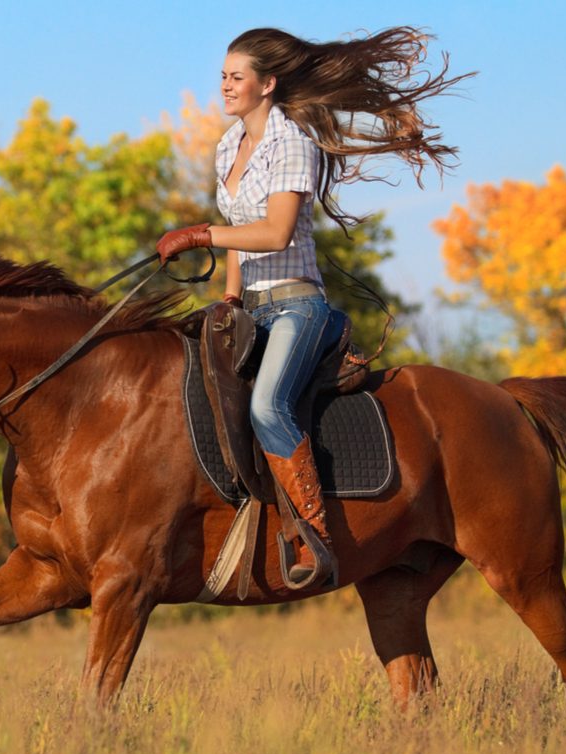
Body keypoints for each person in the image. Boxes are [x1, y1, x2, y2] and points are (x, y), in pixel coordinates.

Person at [156, 26, 468, 587]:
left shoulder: (293, 141)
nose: (225, 86)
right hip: (250, 308)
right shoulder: (228, 146)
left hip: (297, 306)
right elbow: (236, 234)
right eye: (222, 76)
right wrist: (227, 299)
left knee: (269, 408)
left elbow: (273, 233)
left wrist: (202, 235)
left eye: (236, 77)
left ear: (267, 84)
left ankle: (312, 537)